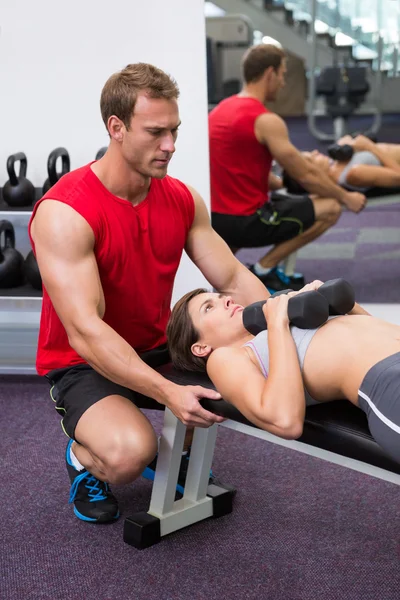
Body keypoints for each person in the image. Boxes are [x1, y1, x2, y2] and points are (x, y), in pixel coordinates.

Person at [28, 62, 272, 524]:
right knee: (127, 454)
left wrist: (276, 332)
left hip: (154, 343)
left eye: (175, 131)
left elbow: (234, 278)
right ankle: (84, 460)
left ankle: (169, 447)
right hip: (84, 360)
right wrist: (166, 392)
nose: (170, 146)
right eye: (156, 132)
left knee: (232, 379)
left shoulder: (180, 197)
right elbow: (84, 331)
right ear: (116, 128)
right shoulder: (66, 213)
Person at [166, 284, 400, 464]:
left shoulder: (283, 325)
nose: (227, 300)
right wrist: (277, 323)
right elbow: (285, 422)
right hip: (388, 381)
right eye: (209, 307)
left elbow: (369, 332)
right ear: (201, 347)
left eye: (221, 297)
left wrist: (340, 304)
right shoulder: (227, 357)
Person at [208, 44, 367, 293]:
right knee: (331, 207)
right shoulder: (266, 120)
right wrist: (347, 197)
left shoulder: (220, 110)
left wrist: (280, 184)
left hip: (216, 218)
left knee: (286, 200)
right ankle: (263, 269)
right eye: (282, 74)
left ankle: (233, 276)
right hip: (248, 220)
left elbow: (240, 165)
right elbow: (306, 174)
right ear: (270, 73)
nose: (283, 82)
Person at [284, 136, 400, 194]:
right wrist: (369, 146)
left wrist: (347, 143)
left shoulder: (337, 160)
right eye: (312, 158)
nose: (315, 151)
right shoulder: (353, 174)